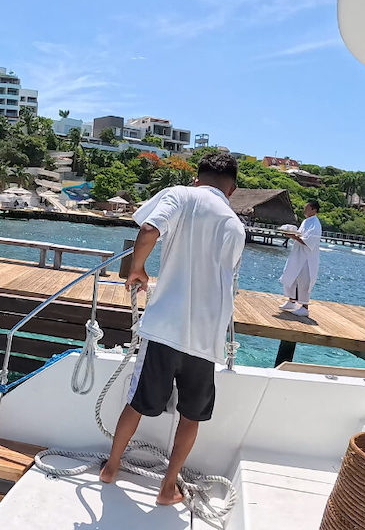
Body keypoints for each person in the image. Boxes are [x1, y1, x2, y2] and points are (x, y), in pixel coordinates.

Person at [99, 151, 246, 506]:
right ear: (233, 190)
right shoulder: (236, 226)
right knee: (191, 416)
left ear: (198, 178)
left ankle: (111, 468)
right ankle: (167, 488)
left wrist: (137, 268)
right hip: (206, 337)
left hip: (165, 327)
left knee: (137, 403)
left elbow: (149, 228)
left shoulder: (180, 195)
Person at [279, 200, 321, 317]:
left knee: (304, 281)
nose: (304, 210)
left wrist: (293, 236)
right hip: (298, 255)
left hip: (307, 258)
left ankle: (304, 307)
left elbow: (308, 241)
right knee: (290, 274)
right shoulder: (306, 221)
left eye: (307, 208)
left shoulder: (315, 224)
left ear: (314, 209)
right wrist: (292, 234)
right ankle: (291, 301)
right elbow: (301, 235)